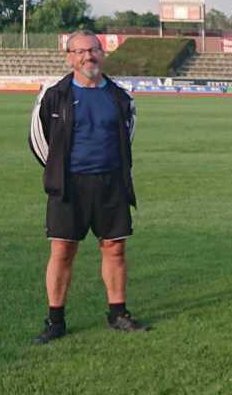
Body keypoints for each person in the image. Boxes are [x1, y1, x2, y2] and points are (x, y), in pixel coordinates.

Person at [28, 29, 149, 344]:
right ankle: (55, 320)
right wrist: (58, 171)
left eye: (93, 49)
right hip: (70, 185)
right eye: (80, 51)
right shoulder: (53, 94)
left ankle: (118, 313)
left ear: (102, 53)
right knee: (63, 249)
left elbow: (128, 135)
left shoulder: (121, 96)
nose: (88, 56)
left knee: (115, 248)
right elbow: (38, 140)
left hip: (111, 183)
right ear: (70, 57)